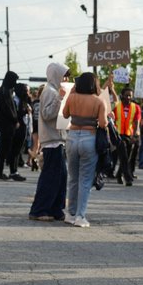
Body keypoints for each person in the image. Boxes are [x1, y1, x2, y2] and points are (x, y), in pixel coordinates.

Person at [62, 72, 108, 228]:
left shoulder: (72, 97)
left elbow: (65, 114)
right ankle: (80, 216)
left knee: (73, 178)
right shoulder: (98, 101)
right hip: (89, 137)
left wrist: (73, 92)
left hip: (72, 136)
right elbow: (103, 123)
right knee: (85, 180)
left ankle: (70, 213)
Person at [28, 63, 69, 222]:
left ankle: (55, 209)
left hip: (57, 140)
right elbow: (47, 113)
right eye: (64, 75)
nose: (66, 78)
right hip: (52, 141)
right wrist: (60, 98)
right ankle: (39, 210)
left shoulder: (54, 91)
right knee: (51, 178)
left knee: (60, 178)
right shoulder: (50, 92)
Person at [0, 71, 20, 180]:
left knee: (5, 148)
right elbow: (8, 109)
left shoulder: (7, 90)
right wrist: (15, 120)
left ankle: (0, 170)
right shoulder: (4, 91)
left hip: (7, 123)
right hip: (6, 124)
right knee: (4, 148)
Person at [113, 87, 141, 186]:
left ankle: (119, 174)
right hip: (118, 135)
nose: (128, 97)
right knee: (124, 155)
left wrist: (136, 132)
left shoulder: (136, 107)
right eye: (127, 95)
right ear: (122, 96)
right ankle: (127, 178)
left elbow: (137, 121)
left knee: (127, 157)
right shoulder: (116, 106)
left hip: (130, 135)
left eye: (130, 96)